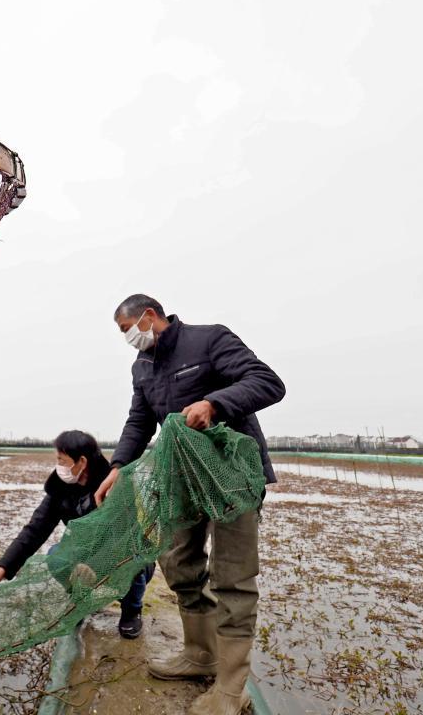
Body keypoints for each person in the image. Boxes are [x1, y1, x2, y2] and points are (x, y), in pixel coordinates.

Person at [94, 294, 285, 715]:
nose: (127, 338)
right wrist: (118, 466)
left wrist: (215, 404)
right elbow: (140, 420)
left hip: (231, 477)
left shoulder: (209, 340)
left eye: (126, 328)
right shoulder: (141, 366)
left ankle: (231, 688)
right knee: (178, 562)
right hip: (182, 480)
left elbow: (268, 382)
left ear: (148, 316)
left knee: (232, 577)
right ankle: (200, 653)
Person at [0, 429, 156, 639]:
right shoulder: (61, 489)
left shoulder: (114, 486)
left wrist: (96, 564)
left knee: (134, 560)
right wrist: (3, 569)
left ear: (81, 462)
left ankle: (131, 610)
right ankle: (81, 602)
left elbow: (129, 535)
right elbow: (35, 529)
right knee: (57, 556)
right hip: (85, 554)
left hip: (125, 552)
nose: (58, 466)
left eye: (61, 460)